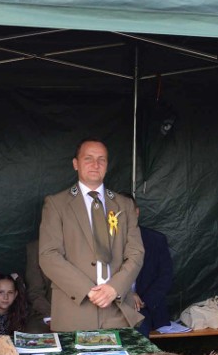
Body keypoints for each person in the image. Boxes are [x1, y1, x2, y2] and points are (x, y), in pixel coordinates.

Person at [39, 138, 145, 332]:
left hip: (118, 311)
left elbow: (136, 252)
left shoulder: (125, 205)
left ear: (107, 165)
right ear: (75, 164)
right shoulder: (56, 204)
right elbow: (49, 255)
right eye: (88, 158)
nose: (95, 164)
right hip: (74, 311)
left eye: (101, 159)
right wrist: (89, 291)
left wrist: (114, 288)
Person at [126, 196, 174, 338]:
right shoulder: (103, 243)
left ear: (137, 212)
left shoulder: (156, 240)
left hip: (145, 308)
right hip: (112, 306)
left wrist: (143, 301)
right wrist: (127, 294)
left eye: (129, 211)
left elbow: (165, 277)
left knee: (138, 334)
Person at [24, 239, 52, 328]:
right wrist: (50, 316)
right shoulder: (36, 249)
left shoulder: (84, 245)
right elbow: (35, 292)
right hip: (47, 312)